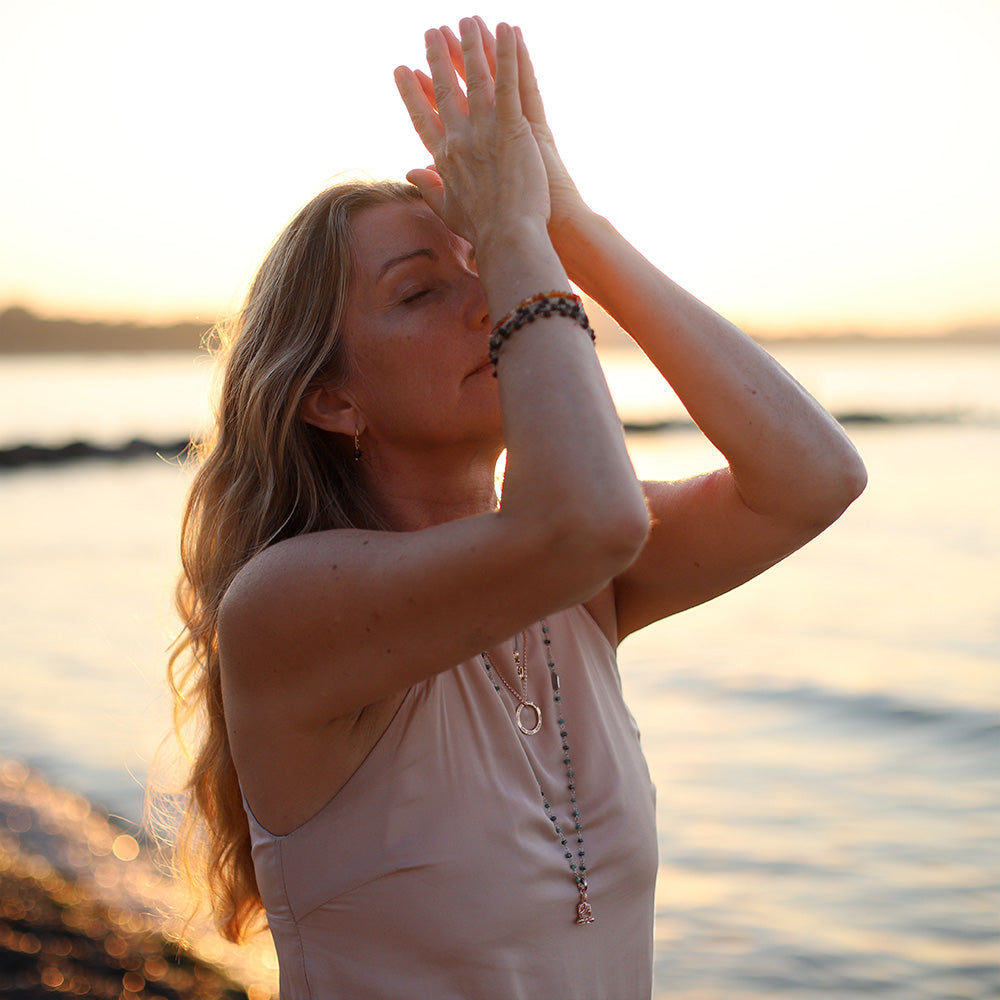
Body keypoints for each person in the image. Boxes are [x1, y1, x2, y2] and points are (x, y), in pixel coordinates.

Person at [165, 17, 866, 1000]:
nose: (489, 299)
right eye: (420, 292)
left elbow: (815, 477)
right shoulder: (285, 603)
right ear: (331, 399)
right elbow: (584, 523)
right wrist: (506, 232)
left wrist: (568, 222)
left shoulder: (575, 579)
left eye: (484, 269)